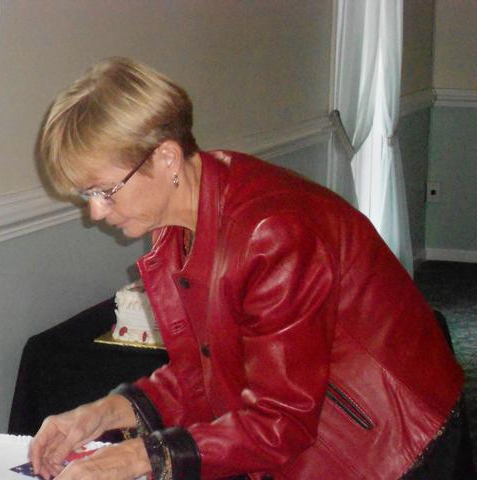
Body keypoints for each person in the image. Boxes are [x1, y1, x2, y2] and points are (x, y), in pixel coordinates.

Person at [29, 57, 467, 480]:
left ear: (166, 158)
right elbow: (207, 371)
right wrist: (100, 414)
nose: (96, 212)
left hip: (389, 439)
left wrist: (135, 458)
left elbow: (281, 423)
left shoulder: (270, 233)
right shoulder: (182, 219)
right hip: (317, 423)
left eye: (105, 191)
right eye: (86, 194)